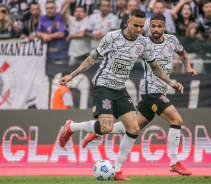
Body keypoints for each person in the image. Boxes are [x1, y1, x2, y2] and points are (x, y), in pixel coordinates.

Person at [58, 9, 184, 181]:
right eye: (135, 25)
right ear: (128, 22)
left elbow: (155, 67)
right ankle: (72, 127)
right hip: (103, 85)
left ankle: (116, 170)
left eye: (141, 26)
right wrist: (71, 76)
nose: (139, 29)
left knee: (133, 128)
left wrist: (170, 82)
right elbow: (92, 58)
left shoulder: (143, 44)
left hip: (120, 89)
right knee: (106, 127)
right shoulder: (112, 37)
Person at [82, 13, 197, 176]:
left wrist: (188, 67)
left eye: (159, 26)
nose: (156, 29)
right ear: (149, 27)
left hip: (160, 90)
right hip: (151, 92)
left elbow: (183, 53)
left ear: (165, 27)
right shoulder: (144, 42)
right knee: (176, 119)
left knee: (134, 127)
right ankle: (174, 162)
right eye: (153, 26)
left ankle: (97, 132)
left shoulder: (172, 41)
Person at [61, 0, 90, 66]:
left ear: (85, 14)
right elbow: (63, 13)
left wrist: (70, 36)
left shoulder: (87, 20)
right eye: (77, 11)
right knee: (72, 68)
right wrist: (68, 2)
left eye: (81, 11)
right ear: (73, 13)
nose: (79, 13)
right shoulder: (72, 20)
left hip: (84, 50)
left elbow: (81, 34)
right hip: (73, 51)